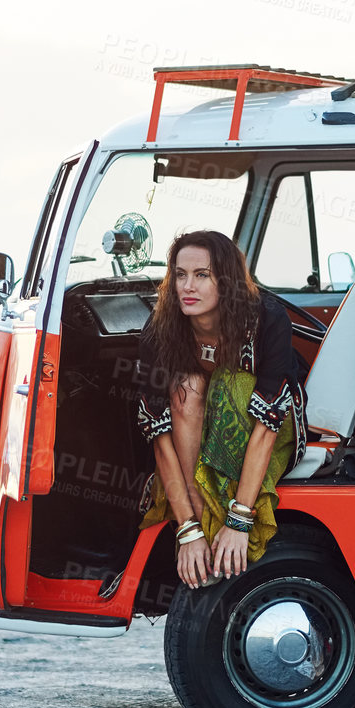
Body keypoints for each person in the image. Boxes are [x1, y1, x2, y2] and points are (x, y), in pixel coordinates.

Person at [133, 230, 306, 590]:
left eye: (201, 275)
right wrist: (187, 529)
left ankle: (228, 527)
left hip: (269, 430)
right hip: (191, 432)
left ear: (225, 281)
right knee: (188, 387)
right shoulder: (161, 328)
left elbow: (268, 423)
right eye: (180, 275)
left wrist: (240, 521)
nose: (187, 287)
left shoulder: (266, 320)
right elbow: (158, 433)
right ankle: (204, 521)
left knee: (232, 382)